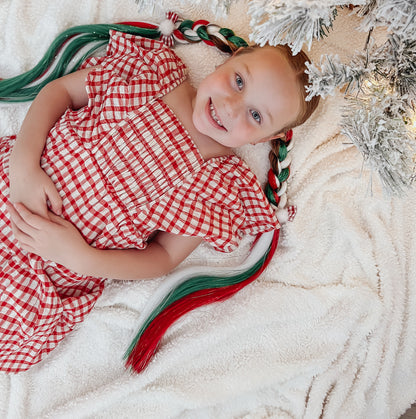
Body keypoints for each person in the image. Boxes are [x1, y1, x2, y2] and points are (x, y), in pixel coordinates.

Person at [1, 27, 319, 372]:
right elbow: (61, 91)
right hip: (13, 187)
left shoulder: (220, 187)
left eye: (255, 116)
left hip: (48, 269)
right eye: (239, 82)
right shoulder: (153, 70)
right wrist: (24, 167)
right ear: (233, 58)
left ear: (265, 138)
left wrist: (81, 257)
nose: (230, 107)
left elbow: (164, 256)